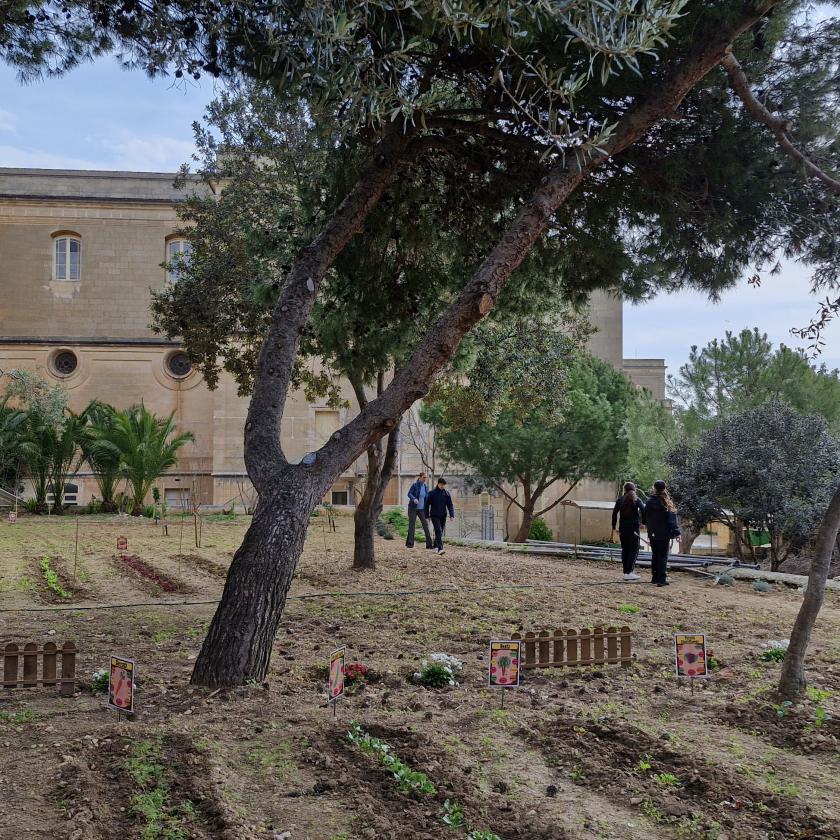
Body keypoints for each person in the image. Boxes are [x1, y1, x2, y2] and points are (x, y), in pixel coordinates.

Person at [644, 479, 680, 587]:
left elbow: (645, 518)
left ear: (654, 488)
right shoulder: (666, 502)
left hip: (652, 533)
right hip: (664, 534)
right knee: (663, 556)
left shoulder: (648, 502)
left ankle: (654, 578)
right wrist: (677, 533)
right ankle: (661, 579)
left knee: (655, 555)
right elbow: (671, 520)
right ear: (664, 488)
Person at [611, 481, 645, 581]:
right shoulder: (636, 499)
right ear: (634, 489)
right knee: (634, 549)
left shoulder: (620, 499)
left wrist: (614, 527)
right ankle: (629, 572)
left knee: (625, 549)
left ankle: (626, 571)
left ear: (624, 490)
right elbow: (643, 510)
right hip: (633, 529)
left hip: (623, 529)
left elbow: (614, 513)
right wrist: (643, 522)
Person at [425, 477, 455, 554]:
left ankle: (435, 546)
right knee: (438, 530)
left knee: (440, 531)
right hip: (434, 515)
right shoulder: (432, 493)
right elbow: (426, 505)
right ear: (438, 484)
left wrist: (451, 515)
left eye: (444, 485)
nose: (442, 486)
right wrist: (427, 515)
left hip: (443, 515)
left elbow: (450, 505)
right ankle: (440, 549)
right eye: (441, 485)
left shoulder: (446, 493)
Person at [405, 472, 433, 549]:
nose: (425, 479)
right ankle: (410, 544)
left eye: (426, 477)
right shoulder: (415, 485)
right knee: (412, 525)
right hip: (413, 508)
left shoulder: (425, 487)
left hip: (421, 509)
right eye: (424, 477)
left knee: (425, 525)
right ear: (420, 477)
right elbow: (409, 494)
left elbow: (426, 498)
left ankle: (429, 545)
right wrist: (414, 499)